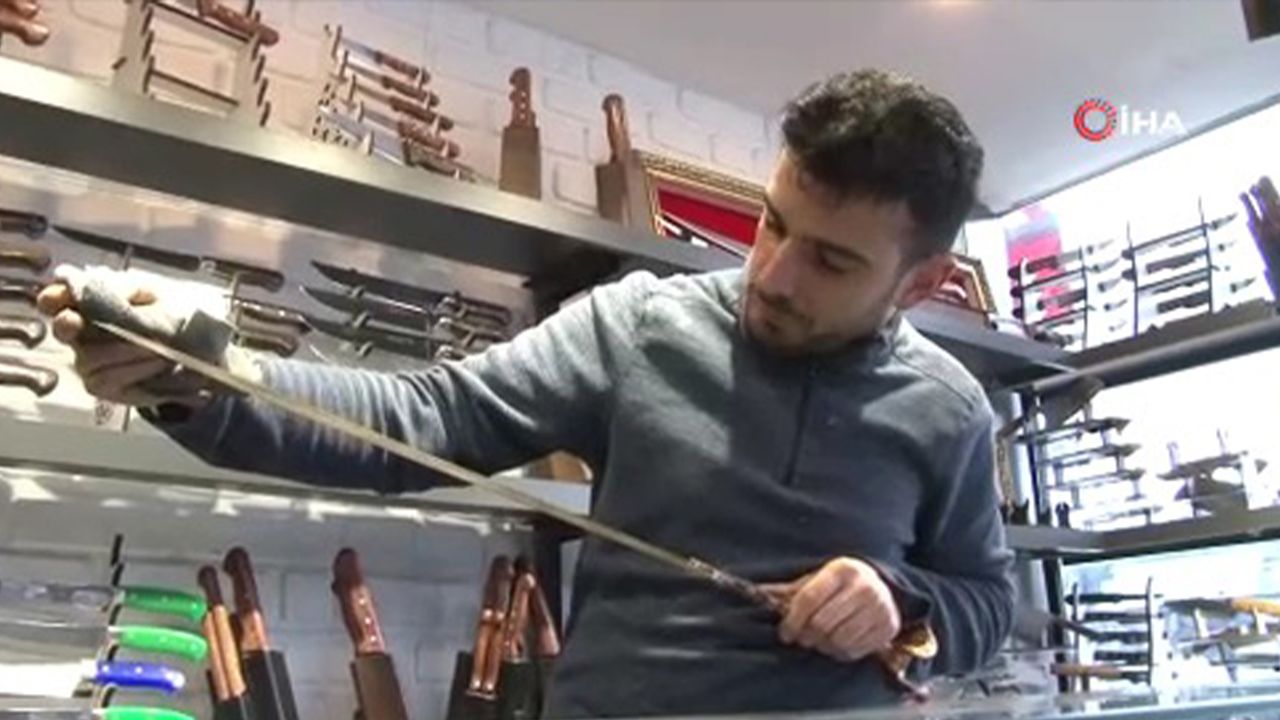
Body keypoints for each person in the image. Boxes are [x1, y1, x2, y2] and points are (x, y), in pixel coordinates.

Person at [39, 69, 1014, 717]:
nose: (773, 275)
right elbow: (422, 421)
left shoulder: (949, 410)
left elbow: (983, 604)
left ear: (920, 284)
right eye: (771, 223)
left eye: (831, 261)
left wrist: (899, 599)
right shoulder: (643, 324)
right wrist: (210, 386)